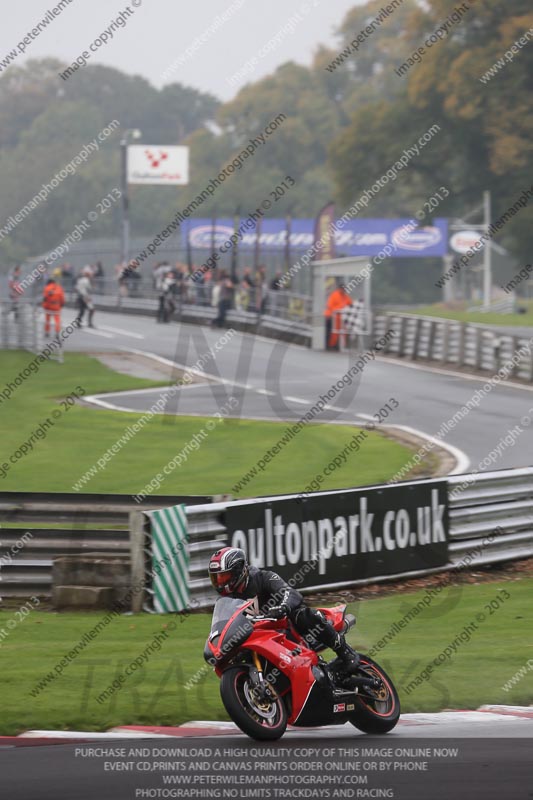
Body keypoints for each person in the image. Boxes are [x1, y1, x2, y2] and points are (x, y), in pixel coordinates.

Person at [208, 547, 360, 672]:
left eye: (223, 576)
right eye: (216, 578)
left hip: (286, 629)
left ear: (237, 571)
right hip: (259, 636)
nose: (220, 582)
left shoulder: (263, 578)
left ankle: (346, 652)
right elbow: (227, 624)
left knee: (302, 614)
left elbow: (290, 593)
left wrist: (282, 607)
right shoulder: (229, 600)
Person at [324, 282, 353, 351]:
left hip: (340, 318)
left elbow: (350, 304)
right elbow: (330, 306)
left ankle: (337, 346)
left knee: (339, 332)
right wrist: (341, 309)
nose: (343, 290)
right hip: (331, 316)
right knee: (331, 332)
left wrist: (347, 309)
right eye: (342, 289)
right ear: (339, 289)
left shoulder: (345, 296)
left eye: (344, 289)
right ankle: (330, 346)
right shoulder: (334, 295)